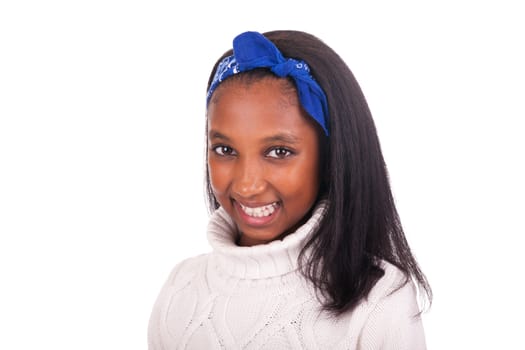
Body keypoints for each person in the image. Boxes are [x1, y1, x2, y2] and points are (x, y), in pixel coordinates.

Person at [148, 30, 432, 349]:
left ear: (331, 156)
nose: (247, 185)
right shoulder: (180, 289)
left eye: (279, 152)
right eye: (225, 150)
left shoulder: (379, 300)